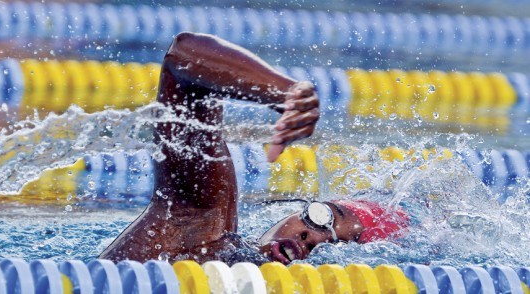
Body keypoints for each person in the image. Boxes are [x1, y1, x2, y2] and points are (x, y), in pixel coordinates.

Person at [99, 32, 409, 264]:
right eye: (322, 216)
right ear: (295, 209)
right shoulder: (200, 225)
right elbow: (182, 57)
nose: (313, 237)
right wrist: (286, 93)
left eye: (335, 245)